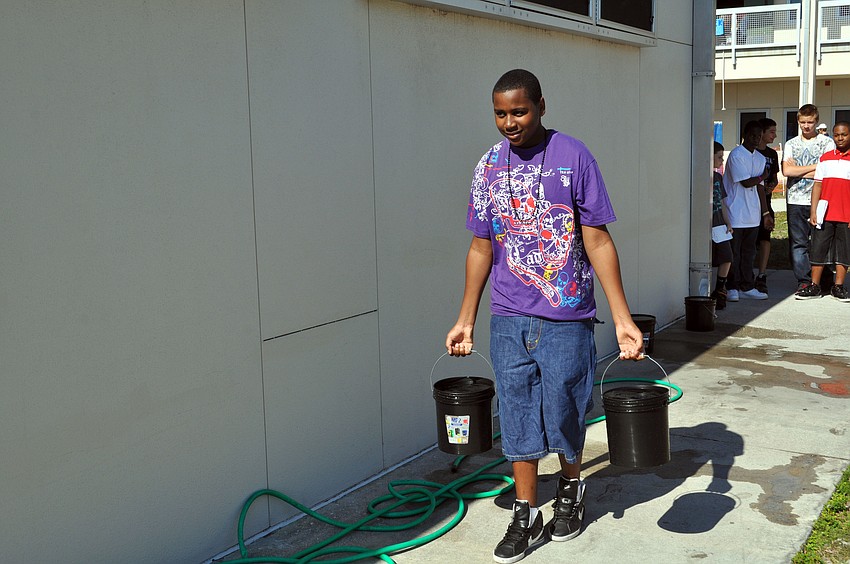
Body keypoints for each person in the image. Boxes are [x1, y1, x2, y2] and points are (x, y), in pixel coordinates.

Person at [445, 69, 644, 564]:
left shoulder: (573, 156)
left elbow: (596, 239)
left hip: (566, 315)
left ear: (540, 106)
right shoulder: (488, 165)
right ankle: (526, 510)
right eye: (500, 113)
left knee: (565, 408)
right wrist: (465, 317)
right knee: (515, 414)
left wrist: (621, 315)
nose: (509, 122)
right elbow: (480, 245)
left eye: (519, 111)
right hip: (509, 316)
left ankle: (571, 488)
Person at [782, 104, 835, 297]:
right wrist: (816, 168)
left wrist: (801, 170)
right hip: (796, 199)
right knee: (798, 243)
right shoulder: (791, 144)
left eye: (810, 122)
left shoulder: (827, 143)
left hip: (820, 200)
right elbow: (787, 171)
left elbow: (828, 173)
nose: (806, 126)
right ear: (798, 121)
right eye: (803, 122)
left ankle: (824, 280)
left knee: (822, 242)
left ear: (816, 121)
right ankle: (804, 281)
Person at [797, 121, 850, 301]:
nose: (840, 138)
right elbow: (817, 185)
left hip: (846, 214)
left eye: (844, 134)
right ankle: (815, 286)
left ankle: (839, 286)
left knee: (844, 250)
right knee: (818, 248)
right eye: (836, 135)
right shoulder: (825, 158)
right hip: (825, 213)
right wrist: (813, 211)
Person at [722, 121, 770, 301]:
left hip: (753, 214)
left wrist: (765, 213)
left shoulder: (760, 158)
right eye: (752, 135)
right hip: (735, 212)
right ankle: (732, 286)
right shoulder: (736, 155)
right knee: (734, 252)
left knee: (749, 252)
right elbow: (746, 182)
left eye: (759, 136)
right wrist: (762, 176)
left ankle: (747, 286)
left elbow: (759, 187)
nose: (756, 139)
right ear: (745, 134)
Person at [754, 118, 780, 294]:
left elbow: (775, 176)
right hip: (750, 203)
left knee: (765, 238)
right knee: (747, 241)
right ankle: (745, 273)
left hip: (767, 202)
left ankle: (761, 274)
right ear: (761, 132)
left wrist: (772, 185)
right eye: (771, 131)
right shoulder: (752, 153)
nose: (775, 135)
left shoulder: (772, 154)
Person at [710, 141, 733, 310]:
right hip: (706, 226)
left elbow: (723, 203)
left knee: (727, 256)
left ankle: (720, 289)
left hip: (719, 224)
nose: (721, 161)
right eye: (719, 157)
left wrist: (728, 221)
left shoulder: (718, 177)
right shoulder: (701, 178)